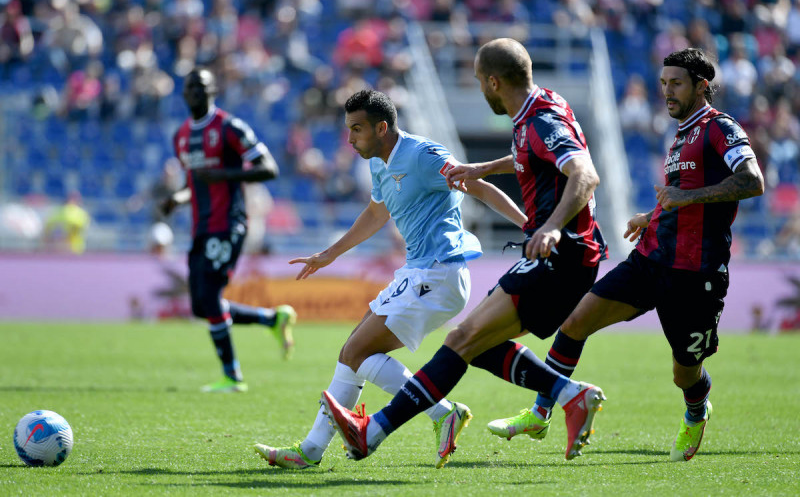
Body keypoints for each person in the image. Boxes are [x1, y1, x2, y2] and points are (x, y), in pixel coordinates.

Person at [319, 38, 608, 465]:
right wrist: (486, 166)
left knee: (460, 340)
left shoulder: (539, 120)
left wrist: (548, 226)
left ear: (494, 81)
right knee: (474, 343)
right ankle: (570, 394)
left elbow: (585, 173)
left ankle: (375, 429)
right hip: (565, 253)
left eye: (478, 80)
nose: (478, 89)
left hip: (560, 252)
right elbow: (530, 155)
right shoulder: (542, 107)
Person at [491, 47, 765, 462]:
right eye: (663, 83)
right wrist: (650, 215)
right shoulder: (681, 134)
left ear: (701, 86)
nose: (667, 92)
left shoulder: (719, 128)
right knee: (575, 321)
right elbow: (679, 199)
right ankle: (542, 412)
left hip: (695, 273)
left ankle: (696, 410)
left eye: (676, 84)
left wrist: (684, 197)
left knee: (683, 372)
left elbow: (752, 181)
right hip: (651, 258)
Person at [254, 89, 528, 469]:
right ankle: (311, 451)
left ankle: (443, 413)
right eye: (348, 129)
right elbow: (376, 212)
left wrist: (530, 226)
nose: (350, 139)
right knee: (351, 353)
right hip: (419, 271)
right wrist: (329, 254)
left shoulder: (422, 155)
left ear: (382, 128)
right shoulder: (378, 163)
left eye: (357, 130)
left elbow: (479, 186)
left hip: (440, 271)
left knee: (356, 352)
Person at [161, 68, 297, 393]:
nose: (196, 92)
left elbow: (269, 169)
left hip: (228, 224)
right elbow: (191, 183)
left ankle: (232, 376)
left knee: (209, 298)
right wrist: (176, 199)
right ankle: (272, 319)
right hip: (200, 226)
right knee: (200, 306)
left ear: (214, 91)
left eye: (202, 87)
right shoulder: (180, 136)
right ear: (184, 94)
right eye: (190, 87)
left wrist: (222, 174)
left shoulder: (229, 127)